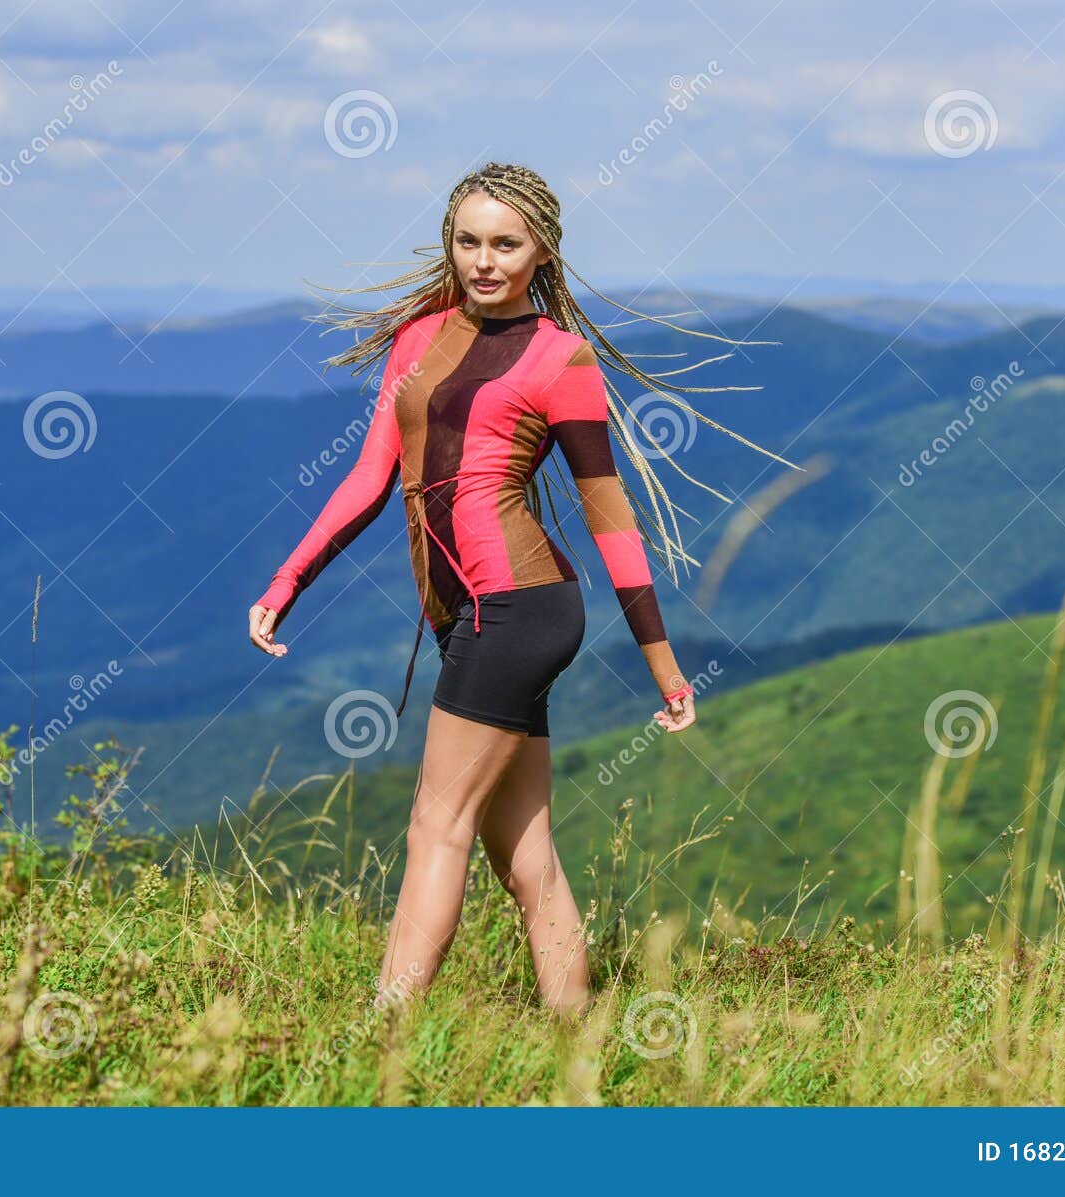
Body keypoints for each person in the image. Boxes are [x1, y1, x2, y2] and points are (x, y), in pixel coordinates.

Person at [248, 162, 795, 1014]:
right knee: (521, 847)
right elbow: (368, 478)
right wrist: (289, 580)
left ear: (542, 251)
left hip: (522, 609)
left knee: (438, 822)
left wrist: (664, 665)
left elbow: (611, 519)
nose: (484, 261)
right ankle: (575, 1038)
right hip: (467, 611)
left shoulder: (562, 360)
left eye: (506, 244)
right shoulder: (416, 340)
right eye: (468, 241)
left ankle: (385, 1035)